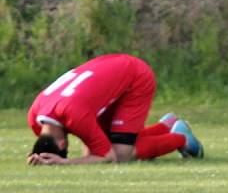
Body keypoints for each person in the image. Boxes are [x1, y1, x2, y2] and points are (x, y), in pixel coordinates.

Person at [27, 53, 203, 166]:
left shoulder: (73, 115)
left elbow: (107, 157)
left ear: (63, 144)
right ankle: (165, 127)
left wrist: (64, 162)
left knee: (121, 155)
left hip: (135, 77)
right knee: (93, 153)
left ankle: (182, 139)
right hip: (110, 65)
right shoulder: (34, 116)